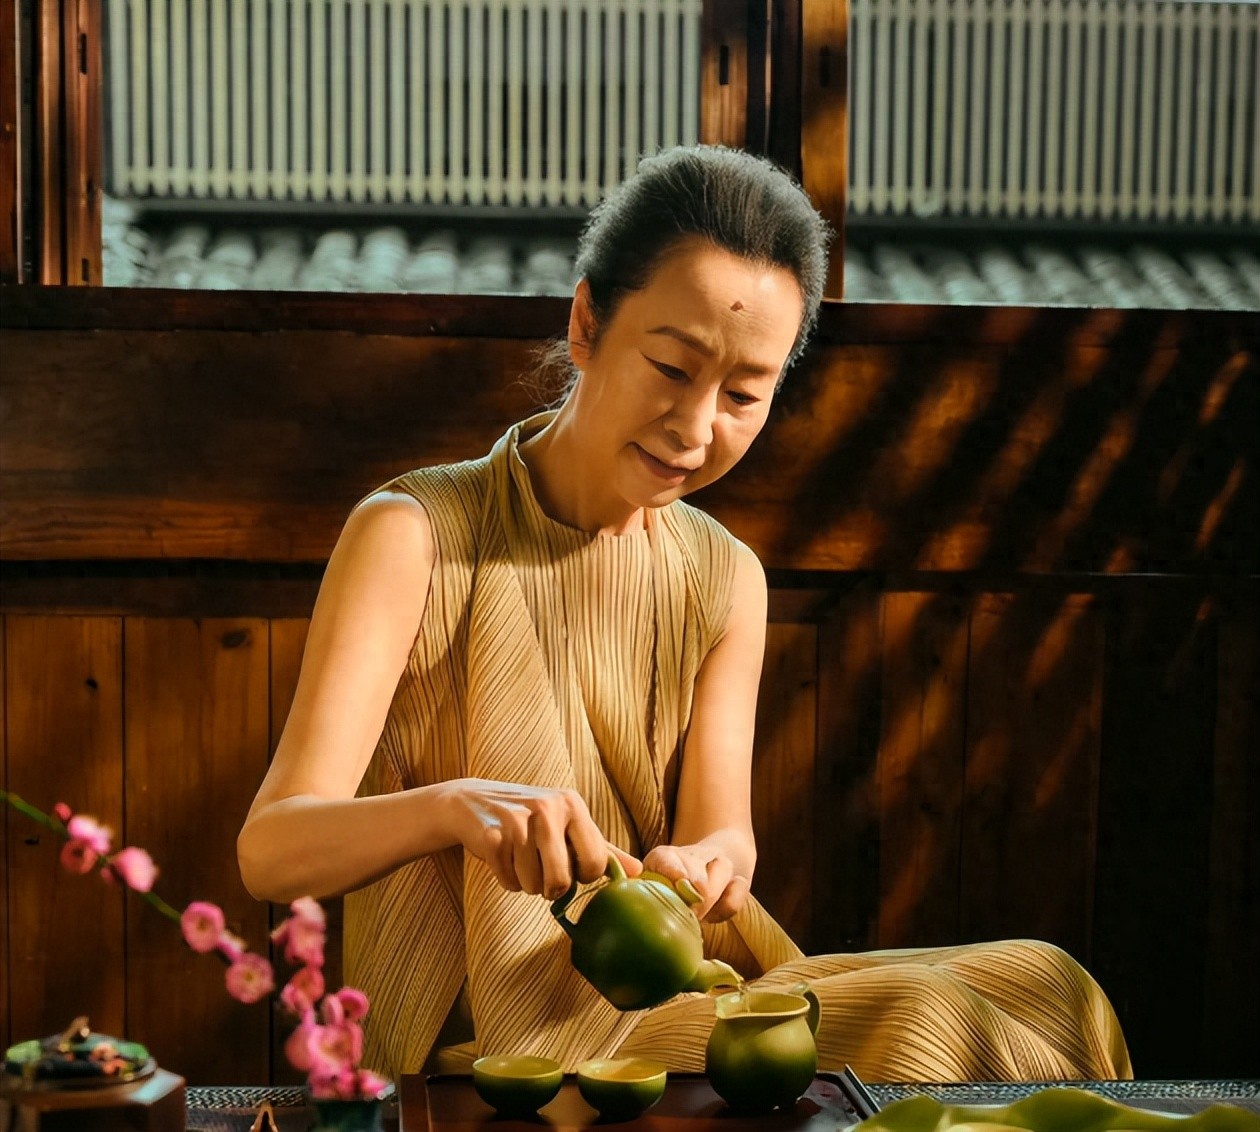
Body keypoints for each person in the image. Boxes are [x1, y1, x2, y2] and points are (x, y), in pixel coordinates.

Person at [238, 145, 1132, 1082]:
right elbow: (272, 851)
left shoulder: (724, 576)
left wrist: (707, 864)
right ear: (586, 323)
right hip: (500, 1044)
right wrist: (455, 809)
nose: (698, 428)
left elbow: (724, 835)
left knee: (1052, 983)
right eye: (671, 367)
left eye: (745, 394)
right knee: (933, 1019)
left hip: (672, 996)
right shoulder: (413, 535)